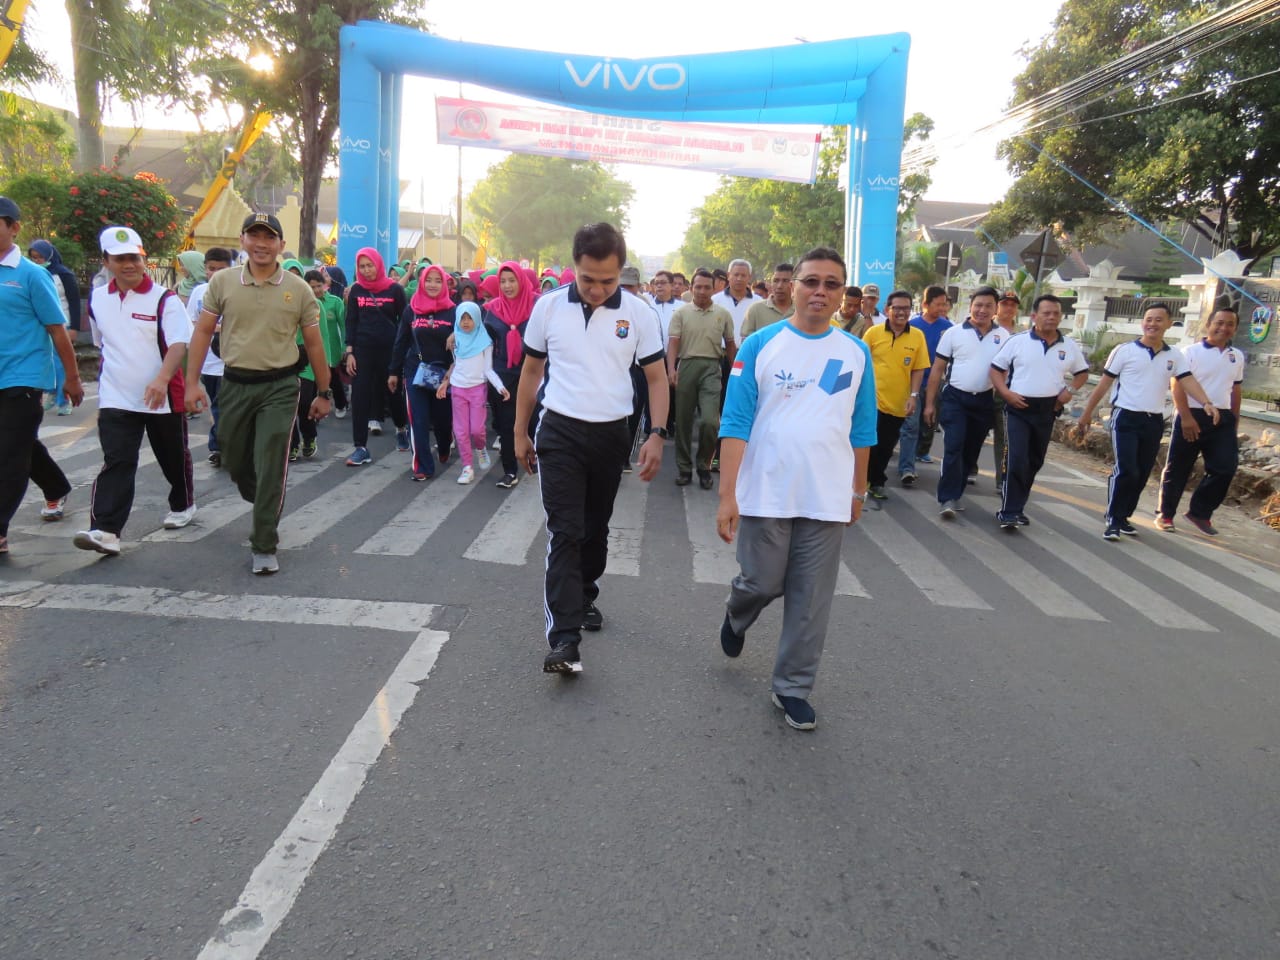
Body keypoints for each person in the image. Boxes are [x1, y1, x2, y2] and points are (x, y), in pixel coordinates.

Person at [717, 246, 876, 732]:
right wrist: (728, 495)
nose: (820, 292)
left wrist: (857, 491)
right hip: (766, 489)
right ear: (790, 286)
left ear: (841, 294)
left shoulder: (855, 351)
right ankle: (738, 611)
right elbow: (736, 421)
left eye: (832, 284)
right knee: (763, 581)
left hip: (826, 496)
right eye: (811, 281)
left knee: (811, 600)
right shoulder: (761, 345)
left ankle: (792, 687)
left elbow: (863, 428)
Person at [514, 222, 669, 675]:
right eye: (588, 279)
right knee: (564, 531)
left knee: (595, 530)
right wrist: (521, 431)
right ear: (574, 267)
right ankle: (563, 639)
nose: (598, 289)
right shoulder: (548, 308)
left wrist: (656, 433)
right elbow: (529, 372)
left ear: (620, 271)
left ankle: (585, 594)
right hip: (558, 431)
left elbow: (657, 378)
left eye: (608, 280)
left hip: (611, 435)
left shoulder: (640, 314)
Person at [184, 212, 332, 575]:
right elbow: (203, 332)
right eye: (254, 236)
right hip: (235, 384)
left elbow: (314, 343)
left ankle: (264, 541)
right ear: (243, 240)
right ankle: (262, 496)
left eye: (269, 238)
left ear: (281, 245)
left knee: (270, 461)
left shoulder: (297, 289)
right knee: (233, 458)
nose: (262, 244)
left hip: (280, 388)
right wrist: (190, 383)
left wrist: (324, 392)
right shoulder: (222, 283)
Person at [74, 226, 195, 556]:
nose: (129, 265)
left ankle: (183, 503)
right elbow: (103, 344)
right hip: (117, 396)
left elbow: (179, 344)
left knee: (172, 457)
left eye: (134, 258)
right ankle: (106, 530)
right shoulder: (98, 299)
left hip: (162, 397)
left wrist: (161, 379)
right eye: (120, 259)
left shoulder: (164, 300)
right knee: (118, 460)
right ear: (107, 261)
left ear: (143, 259)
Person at [1074, 302, 1219, 541]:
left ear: (1169, 325)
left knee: (1141, 473)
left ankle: (1124, 517)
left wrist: (1206, 402)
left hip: (1153, 421)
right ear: (1143, 323)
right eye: (1149, 319)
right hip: (1125, 417)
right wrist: (1087, 412)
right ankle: (1113, 519)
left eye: (1158, 319)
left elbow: (1188, 380)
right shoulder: (1124, 351)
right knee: (1127, 469)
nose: (1152, 324)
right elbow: (1104, 384)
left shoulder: (1174, 356)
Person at [0, 196, 83, 554]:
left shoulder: (32, 275)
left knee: (9, 453)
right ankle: (56, 487)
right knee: (20, 444)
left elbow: (57, 328)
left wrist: (73, 378)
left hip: (25, 375)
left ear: (14, 228)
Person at [989, 294, 1090, 529]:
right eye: (1046, 313)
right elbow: (995, 370)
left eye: (1056, 313)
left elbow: (1082, 373)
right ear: (1034, 316)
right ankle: (1009, 511)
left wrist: (1070, 391)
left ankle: (1018, 506)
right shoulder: (1018, 341)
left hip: (1048, 409)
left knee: (1034, 460)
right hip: (1018, 407)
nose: (1052, 317)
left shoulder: (1069, 345)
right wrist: (1006, 393)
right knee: (1016, 458)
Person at [1156, 306, 1244, 535]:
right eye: (1219, 323)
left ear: (1234, 329)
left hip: (1222, 418)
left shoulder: (1237, 356)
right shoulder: (1190, 352)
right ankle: (1165, 514)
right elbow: (1177, 384)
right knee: (1178, 468)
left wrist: (1233, 421)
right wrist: (1185, 416)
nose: (1224, 328)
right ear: (1209, 325)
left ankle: (1200, 512)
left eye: (1229, 324)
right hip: (1192, 414)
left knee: (1225, 468)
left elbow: (1235, 391)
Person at [924, 287, 1007, 517]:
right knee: (954, 446)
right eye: (978, 305)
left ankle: (956, 492)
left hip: (983, 401)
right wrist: (930, 404)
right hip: (954, 398)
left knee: (970, 453)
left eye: (988, 305)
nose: (982, 310)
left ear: (995, 309)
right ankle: (947, 498)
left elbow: (1009, 372)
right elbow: (937, 369)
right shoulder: (954, 333)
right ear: (971, 306)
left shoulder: (1004, 338)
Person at [668, 270, 735, 489]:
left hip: (712, 368)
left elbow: (731, 344)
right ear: (691, 288)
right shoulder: (681, 313)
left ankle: (704, 466)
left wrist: (736, 372)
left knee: (710, 421)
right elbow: (674, 343)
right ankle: (684, 468)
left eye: (707, 287)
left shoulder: (723, 314)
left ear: (713, 288)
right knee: (684, 422)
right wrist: (671, 368)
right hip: (687, 365)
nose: (702, 291)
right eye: (698, 287)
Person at [862, 291, 929, 506]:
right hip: (871, 401)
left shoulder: (917, 336)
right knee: (867, 443)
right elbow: (860, 361)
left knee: (886, 446)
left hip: (899, 402)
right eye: (897, 308)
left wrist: (913, 396)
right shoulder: (873, 333)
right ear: (888, 309)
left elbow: (918, 369)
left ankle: (876, 481)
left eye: (906, 308)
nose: (901, 312)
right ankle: (862, 482)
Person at [342, 246, 409, 465]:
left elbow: (405, 322)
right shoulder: (356, 291)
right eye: (362, 266)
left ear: (378, 264)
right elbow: (351, 322)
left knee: (393, 393)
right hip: (362, 352)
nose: (367, 270)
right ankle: (360, 447)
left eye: (370, 265)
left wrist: (402, 352)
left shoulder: (394, 290)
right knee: (360, 398)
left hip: (389, 351)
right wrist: (350, 352)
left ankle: (401, 428)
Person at [389, 264, 455, 480]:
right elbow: (400, 343)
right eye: (428, 280)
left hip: (444, 376)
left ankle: (444, 445)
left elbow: (465, 345)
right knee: (418, 419)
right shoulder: (412, 309)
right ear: (421, 282)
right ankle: (422, 466)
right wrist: (393, 372)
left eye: (438, 280)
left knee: (442, 420)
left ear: (444, 283)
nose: (433, 284)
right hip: (415, 371)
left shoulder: (454, 310)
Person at [439, 301, 507, 485]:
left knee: (477, 429)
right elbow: (456, 365)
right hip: (458, 389)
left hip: (477, 389)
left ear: (477, 319)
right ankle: (467, 467)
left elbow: (488, 369)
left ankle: (480, 447)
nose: (466, 322)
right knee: (460, 431)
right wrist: (446, 383)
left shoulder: (485, 342)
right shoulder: (455, 339)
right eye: (462, 318)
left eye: (470, 318)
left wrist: (500, 387)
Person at [184, 247, 234, 466]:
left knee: (223, 406)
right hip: (208, 364)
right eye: (211, 269)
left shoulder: (237, 291)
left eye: (221, 269)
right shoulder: (199, 292)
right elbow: (191, 323)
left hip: (231, 362)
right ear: (205, 269)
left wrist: (219, 328)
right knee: (217, 406)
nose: (215, 273)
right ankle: (223, 446)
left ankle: (219, 446)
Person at [899, 285, 953, 477]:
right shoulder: (912, 326)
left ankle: (922, 450)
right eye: (938, 304)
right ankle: (907, 467)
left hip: (936, 383)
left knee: (929, 421)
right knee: (910, 426)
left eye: (944, 304)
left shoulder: (949, 329)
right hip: (913, 382)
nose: (942, 308)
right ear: (925, 304)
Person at [27, 240, 82, 416]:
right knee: (47, 362)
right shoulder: (33, 274)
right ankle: (51, 392)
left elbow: (74, 301)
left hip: (62, 324)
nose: (37, 261)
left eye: (40, 257)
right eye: (34, 258)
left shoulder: (64, 275)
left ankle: (63, 400)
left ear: (49, 255)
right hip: (41, 327)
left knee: (60, 363)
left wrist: (74, 327)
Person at [990, 290, 1023, 488]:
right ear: (997, 306)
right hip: (983, 389)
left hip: (1008, 391)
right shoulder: (987, 329)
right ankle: (970, 468)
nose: (1009, 308)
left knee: (1004, 438)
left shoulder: (1022, 334)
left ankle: (1001, 480)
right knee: (974, 435)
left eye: (1013, 305)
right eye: (1005, 304)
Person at [740, 263, 794, 338]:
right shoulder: (756, 310)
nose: (779, 286)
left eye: (785, 281)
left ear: (793, 284)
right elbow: (746, 343)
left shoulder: (802, 311)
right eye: (776, 281)